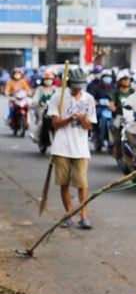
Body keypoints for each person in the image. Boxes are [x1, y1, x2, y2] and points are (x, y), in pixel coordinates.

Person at [48, 68, 97, 229]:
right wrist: (69, 119)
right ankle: (69, 214)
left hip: (81, 147)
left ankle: (84, 215)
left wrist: (83, 120)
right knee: (64, 182)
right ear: (69, 84)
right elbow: (55, 124)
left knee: (82, 182)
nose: (77, 89)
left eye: (80, 86)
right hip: (61, 146)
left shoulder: (89, 99)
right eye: (75, 86)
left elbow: (89, 126)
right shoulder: (58, 97)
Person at [109, 70, 134, 158]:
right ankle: (116, 147)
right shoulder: (115, 92)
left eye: (128, 79)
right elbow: (111, 105)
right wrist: (117, 109)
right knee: (119, 127)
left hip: (132, 116)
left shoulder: (132, 92)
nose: (127, 81)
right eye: (124, 79)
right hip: (120, 116)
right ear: (119, 81)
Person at [31, 72, 57, 143]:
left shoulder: (54, 89)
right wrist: (35, 101)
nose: (48, 80)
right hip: (42, 108)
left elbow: (59, 97)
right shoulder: (40, 89)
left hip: (52, 109)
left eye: (50, 79)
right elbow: (35, 97)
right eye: (46, 79)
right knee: (41, 122)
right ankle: (36, 136)